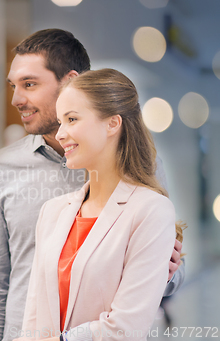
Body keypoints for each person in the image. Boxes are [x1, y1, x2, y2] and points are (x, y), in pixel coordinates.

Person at [0, 29, 184, 341]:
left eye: (29, 84)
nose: (16, 99)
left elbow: (168, 278)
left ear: (69, 81)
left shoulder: (143, 173)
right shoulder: (5, 169)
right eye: (13, 86)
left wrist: (161, 269)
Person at [17, 68, 179, 341]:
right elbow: (33, 320)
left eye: (72, 119)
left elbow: (125, 330)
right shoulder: (53, 212)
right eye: (60, 121)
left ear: (113, 124)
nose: (60, 134)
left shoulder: (150, 210)